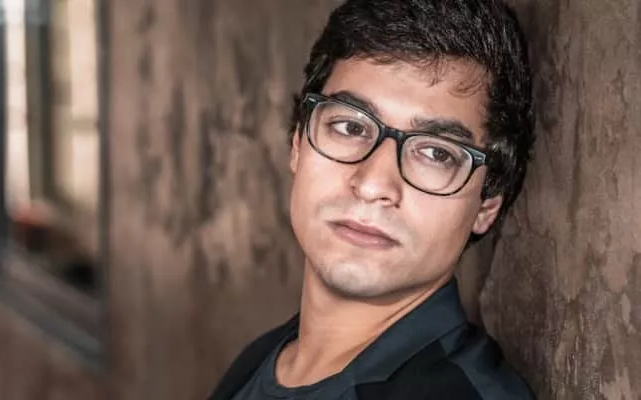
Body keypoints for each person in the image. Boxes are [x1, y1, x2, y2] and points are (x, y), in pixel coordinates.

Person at [210, 0, 535, 398]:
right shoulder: (260, 363)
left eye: (436, 153)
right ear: (297, 142)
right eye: (350, 127)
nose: (372, 184)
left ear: (486, 205)